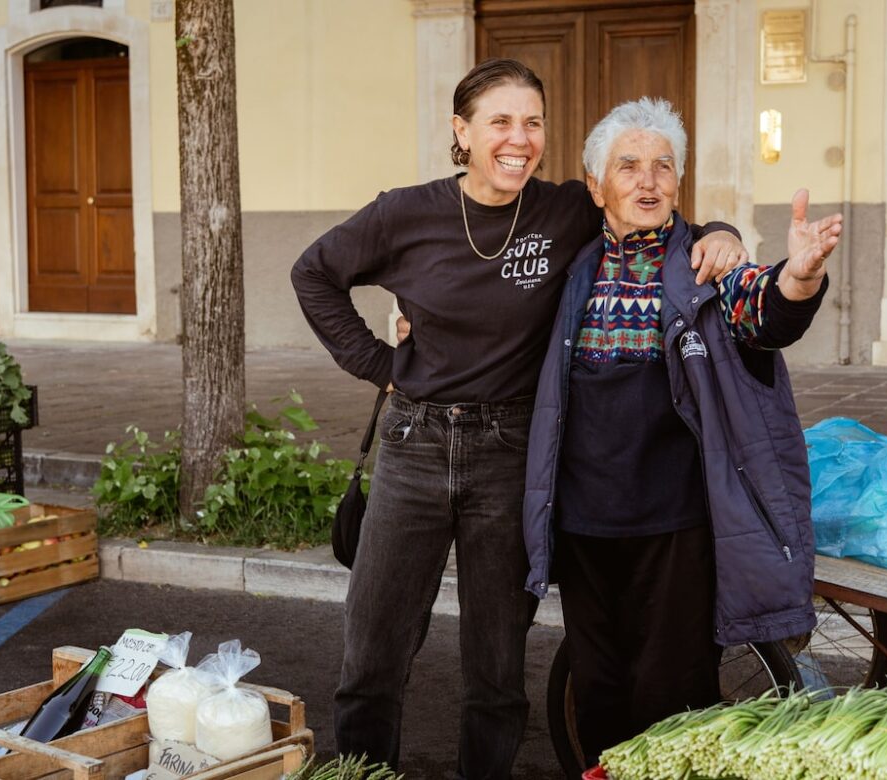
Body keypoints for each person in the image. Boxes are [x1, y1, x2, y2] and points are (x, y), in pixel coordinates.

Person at [290, 59, 748, 778]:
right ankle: (362, 771)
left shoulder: (563, 209)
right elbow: (313, 274)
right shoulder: (404, 213)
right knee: (374, 650)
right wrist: (381, 363)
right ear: (461, 131)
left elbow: (641, 201)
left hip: (510, 450)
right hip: (413, 443)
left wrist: (720, 231)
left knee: (497, 664)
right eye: (500, 121)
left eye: (533, 122)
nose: (519, 138)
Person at [521, 97, 843, 764]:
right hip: (585, 522)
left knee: (675, 694)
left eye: (663, 167)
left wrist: (800, 277)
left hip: (676, 521)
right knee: (602, 689)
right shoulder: (574, 271)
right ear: (595, 186)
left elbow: (763, 313)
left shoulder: (703, 263)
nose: (648, 181)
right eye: (629, 166)